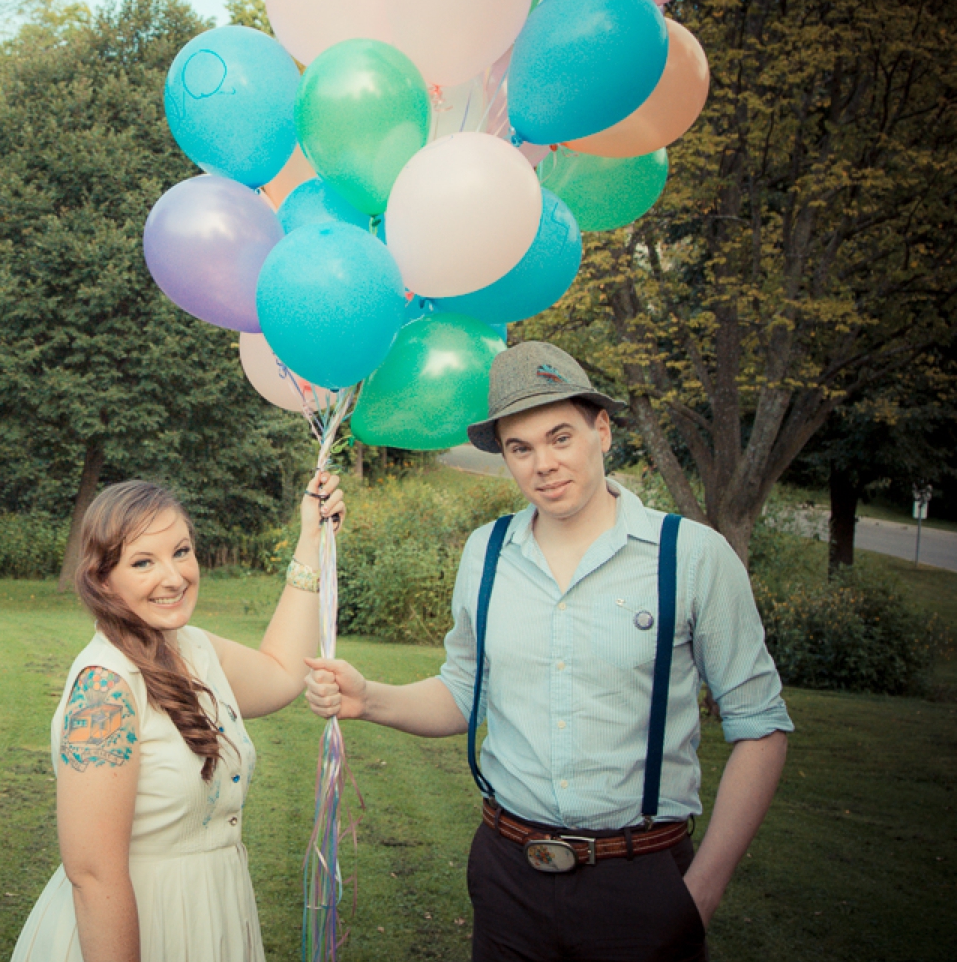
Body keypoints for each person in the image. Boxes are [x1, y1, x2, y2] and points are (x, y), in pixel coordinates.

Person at [306, 341, 792, 962]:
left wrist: (699, 894)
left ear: (602, 430)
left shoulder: (692, 556)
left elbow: (761, 726)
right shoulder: (486, 552)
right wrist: (369, 698)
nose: (544, 464)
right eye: (521, 447)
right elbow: (463, 690)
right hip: (508, 876)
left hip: (640, 881)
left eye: (560, 437)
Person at [11, 471, 345, 962]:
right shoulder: (104, 689)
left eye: (181, 552)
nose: (174, 577)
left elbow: (280, 674)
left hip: (215, 914)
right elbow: (93, 876)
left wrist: (310, 540)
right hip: (146, 927)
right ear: (102, 578)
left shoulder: (194, 648)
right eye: (143, 561)